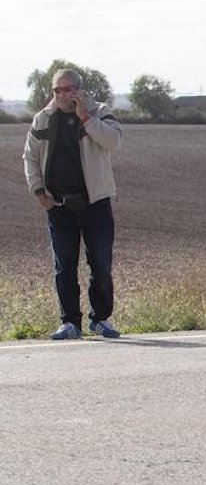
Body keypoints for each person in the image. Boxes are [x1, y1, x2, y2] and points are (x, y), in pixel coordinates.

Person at [22, 68, 124, 339]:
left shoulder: (99, 111)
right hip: (58, 206)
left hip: (96, 203)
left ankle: (100, 319)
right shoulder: (43, 119)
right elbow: (29, 157)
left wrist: (85, 117)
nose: (62, 95)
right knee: (64, 267)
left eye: (68, 90)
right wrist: (38, 192)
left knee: (101, 264)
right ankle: (70, 323)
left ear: (79, 90)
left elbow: (113, 141)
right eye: (57, 90)